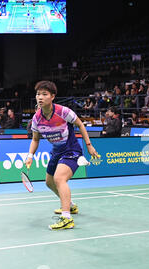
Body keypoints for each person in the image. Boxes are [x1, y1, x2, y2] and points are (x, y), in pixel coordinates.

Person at [25, 80, 99, 230]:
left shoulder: (63, 112)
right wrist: (30, 156)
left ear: (52, 96)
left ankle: (67, 218)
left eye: (44, 94)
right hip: (57, 152)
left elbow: (80, 124)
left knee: (59, 178)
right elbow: (35, 139)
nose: (40, 97)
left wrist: (89, 146)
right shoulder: (36, 119)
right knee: (49, 182)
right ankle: (70, 206)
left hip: (71, 150)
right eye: (38, 94)